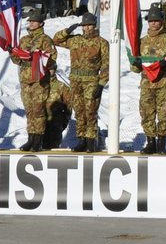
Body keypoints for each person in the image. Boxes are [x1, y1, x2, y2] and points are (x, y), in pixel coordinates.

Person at [53, 12, 110, 152]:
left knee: (90, 111)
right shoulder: (75, 40)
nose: (87, 28)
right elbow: (56, 40)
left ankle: (91, 141)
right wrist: (68, 30)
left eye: (89, 25)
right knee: (79, 111)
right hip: (76, 80)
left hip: (91, 80)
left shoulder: (101, 42)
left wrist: (102, 84)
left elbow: (107, 64)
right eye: (84, 25)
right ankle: (81, 140)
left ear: (94, 25)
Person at [131, 6, 166, 153]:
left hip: (163, 83)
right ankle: (150, 142)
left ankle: (161, 144)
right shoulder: (141, 42)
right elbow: (134, 67)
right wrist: (136, 63)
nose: (153, 23)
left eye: (156, 20)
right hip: (147, 84)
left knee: (164, 113)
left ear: (161, 22)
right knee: (146, 114)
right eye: (151, 21)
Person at [10, 10, 56, 151]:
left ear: (40, 23)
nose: (30, 24)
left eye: (33, 22)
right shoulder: (24, 40)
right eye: (30, 21)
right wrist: (14, 53)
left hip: (38, 80)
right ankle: (30, 138)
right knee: (29, 111)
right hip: (25, 80)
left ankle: (38, 140)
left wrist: (36, 57)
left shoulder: (45, 39)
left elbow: (51, 58)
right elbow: (16, 60)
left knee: (38, 111)